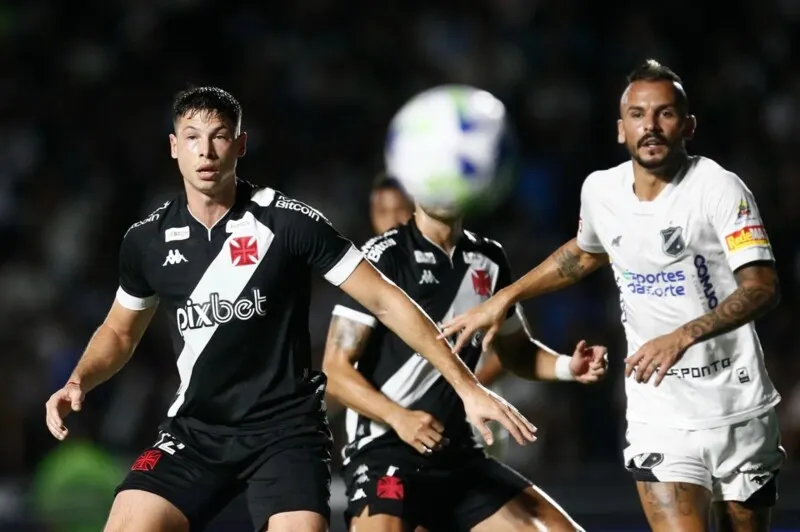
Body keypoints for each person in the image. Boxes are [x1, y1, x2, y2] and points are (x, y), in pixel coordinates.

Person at [43, 87, 537, 532]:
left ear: (241, 145)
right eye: (192, 137)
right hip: (196, 432)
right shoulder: (145, 241)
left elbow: (387, 300)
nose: (206, 150)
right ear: (174, 147)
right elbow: (119, 332)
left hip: (286, 435)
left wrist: (466, 387)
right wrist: (78, 380)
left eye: (220, 137)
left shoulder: (290, 223)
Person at [440, 60, 785, 532]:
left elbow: (762, 287)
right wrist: (506, 296)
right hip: (658, 410)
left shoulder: (718, 188)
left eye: (664, 114)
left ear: (688, 125)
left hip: (737, 405)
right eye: (638, 115)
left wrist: (682, 335)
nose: (651, 126)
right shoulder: (601, 191)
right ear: (620, 129)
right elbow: (584, 255)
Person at [323, 197, 608, 531]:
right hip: (386, 451)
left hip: (458, 455)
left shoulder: (489, 259)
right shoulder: (383, 256)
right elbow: (334, 371)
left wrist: (566, 367)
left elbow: (515, 352)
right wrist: (398, 417)